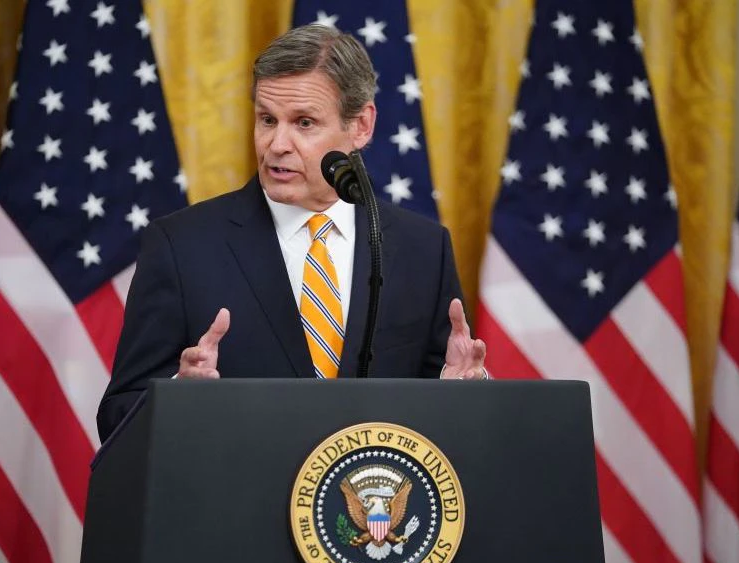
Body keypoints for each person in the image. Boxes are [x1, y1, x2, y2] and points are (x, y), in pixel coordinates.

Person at [97, 24, 487, 441]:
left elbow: (446, 426)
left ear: (361, 126)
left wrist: (460, 392)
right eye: (267, 119)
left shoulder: (422, 249)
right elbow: (117, 415)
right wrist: (177, 401)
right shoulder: (182, 246)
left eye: (304, 123)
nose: (277, 144)